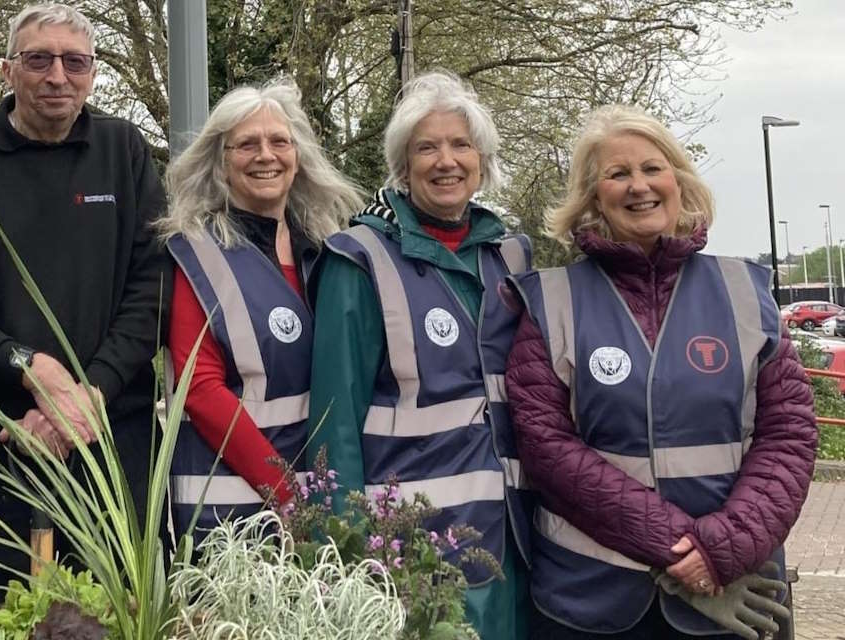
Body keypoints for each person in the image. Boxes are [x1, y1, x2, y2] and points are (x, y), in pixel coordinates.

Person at [505, 104, 817, 639]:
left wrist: (720, 549)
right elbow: (546, 448)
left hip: (735, 591)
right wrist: (678, 548)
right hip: (589, 601)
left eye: (653, 168)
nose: (639, 186)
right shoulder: (551, 299)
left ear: (679, 179)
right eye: (618, 173)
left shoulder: (746, 290)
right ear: (591, 195)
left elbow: (789, 434)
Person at [0, 2, 167, 610]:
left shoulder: (124, 152)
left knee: (112, 616)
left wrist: (83, 399)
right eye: (39, 59)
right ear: (7, 71)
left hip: (106, 446)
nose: (58, 75)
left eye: (74, 61)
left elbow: (153, 290)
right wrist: (29, 364)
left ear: (93, 72)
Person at [307, 71, 532, 640]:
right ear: (402, 167)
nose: (446, 160)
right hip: (419, 553)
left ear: (482, 159)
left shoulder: (511, 256)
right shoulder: (358, 260)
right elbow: (334, 421)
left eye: (461, 145)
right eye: (426, 147)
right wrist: (349, 548)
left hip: (520, 542)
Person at [158, 80, 363, 543]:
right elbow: (202, 391)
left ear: (299, 156)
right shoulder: (196, 253)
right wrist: (287, 494)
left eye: (279, 141)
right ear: (221, 162)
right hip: (232, 512)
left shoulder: (327, 250)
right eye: (246, 144)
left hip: (319, 502)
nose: (265, 155)